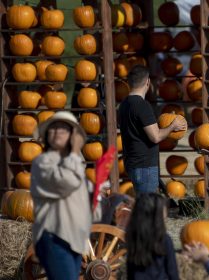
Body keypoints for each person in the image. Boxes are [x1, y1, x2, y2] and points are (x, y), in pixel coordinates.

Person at [30, 111, 101, 280]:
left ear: (72, 135)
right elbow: (65, 182)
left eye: (63, 129)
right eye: (52, 129)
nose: (56, 132)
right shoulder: (43, 162)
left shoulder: (74, 163)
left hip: (75, 239)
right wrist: (75, 153)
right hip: (54, 236)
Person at [118, 65, 187, 194]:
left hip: (132, 163)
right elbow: (155, 136)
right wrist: (172, 126)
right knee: (148, 207)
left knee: (143, 203)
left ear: (129, 82)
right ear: (148, 82)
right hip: (145, 166)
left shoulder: (124, 104)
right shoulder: (142, 106)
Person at [126, 193, 179, 280]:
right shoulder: (164, 240)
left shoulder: (134, 238)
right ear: (157, 214)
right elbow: (173, 273)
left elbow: (130, 273)